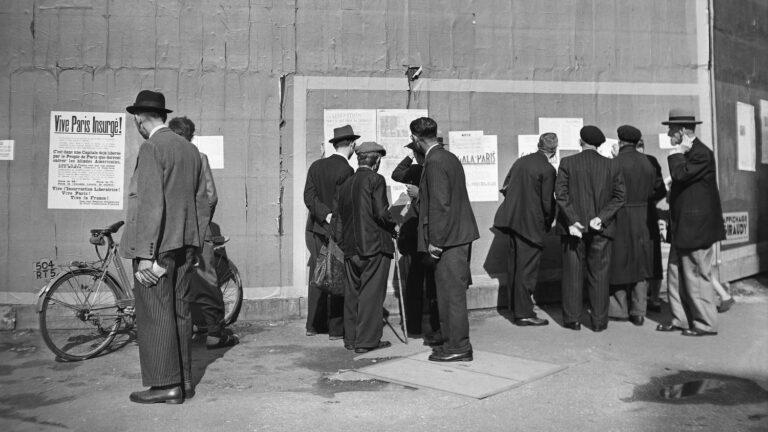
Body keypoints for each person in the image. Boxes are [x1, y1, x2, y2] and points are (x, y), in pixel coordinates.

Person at [121, 90, 205, 404]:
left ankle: (164, 385)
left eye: (136, 121)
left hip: (157, 248)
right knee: (181, 313)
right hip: (184, 246)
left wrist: (145, 256)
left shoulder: (151, 147)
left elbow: (150, 204)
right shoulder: (189, 150)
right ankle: (183, 383)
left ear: (140, 118)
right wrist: (194, 246)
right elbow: (199, 202)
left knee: (155, 314)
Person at [411, 117, 480, 362]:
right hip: (457, 235)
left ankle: (458, 347)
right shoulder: (447, 157)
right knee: (450, 293)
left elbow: (440, 205)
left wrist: (436, 242)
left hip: (449, 239)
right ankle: (452, 342)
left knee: (451, 296)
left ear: (415, 139)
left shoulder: (435, 162)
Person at [168, 116, 238, 349]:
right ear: (191, 136)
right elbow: (210, 196)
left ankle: (181, 332)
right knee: (207, 282)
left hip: (169, 233)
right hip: (197, 231)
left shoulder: (162, 156)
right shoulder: (198, 157)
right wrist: (200, 222)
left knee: (175, 282)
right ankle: (215, 333)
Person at [656, 109, 725, 336]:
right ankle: (681, 319)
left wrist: (677, 152)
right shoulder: (691, 153)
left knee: (696, 275)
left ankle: (705, 323)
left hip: (696, 228)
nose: (668, 134)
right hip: (683, 226)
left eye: (671, 130)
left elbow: (681, 175)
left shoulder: (701, 153)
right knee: (675, 274)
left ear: (684, 131)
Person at [555, 125, 626, 332]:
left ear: (580, 142)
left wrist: (574, 219)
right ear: (600, 144)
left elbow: (561, 195)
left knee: (572, 274)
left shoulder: (567, 163)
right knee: (600, 275)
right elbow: (620, 197)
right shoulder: (612, 166)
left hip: (572, 229)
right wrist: (601, 218)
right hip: (601, 229)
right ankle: (598, 321)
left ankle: (572, 319)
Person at [333, 142, 398, 353]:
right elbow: (381, 212)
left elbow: (338, 220)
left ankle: (351, 338)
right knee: (371, 293)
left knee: (353, 293)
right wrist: (393, 224)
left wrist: (344, 245)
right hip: (374, 246)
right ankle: (367, 341)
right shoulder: (375, 179)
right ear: (377, 161)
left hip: (351, 248)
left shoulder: (346, 184)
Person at [493, 133, 558, 326]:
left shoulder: (521, 162)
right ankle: (524, 313)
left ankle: (515, 307)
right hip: (531, 225)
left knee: (515, 266)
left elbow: (505, 187)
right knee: (527, 270)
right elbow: (548, 203)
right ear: (554, 150)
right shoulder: (547, 169)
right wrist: (548, 223)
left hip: (513, 222)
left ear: (538, 145)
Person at [607, 126, 666, 326]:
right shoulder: (649, 162)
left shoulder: (614, 163)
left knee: (619, 261)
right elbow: (659, 190)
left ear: (620, 141)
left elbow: (607, 193)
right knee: (642, 263)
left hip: (620, 216)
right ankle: (639, 311)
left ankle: (619, 308)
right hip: (644, 216)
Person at [304, 125, 357, 339]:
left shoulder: (316, 166)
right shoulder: (347, 171)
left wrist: (323, 214)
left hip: (316, 229)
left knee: (317, 275)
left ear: (334, 144)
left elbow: (308, 197)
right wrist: (331, 217)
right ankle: (336, 329)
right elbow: (344, 203)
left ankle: (313, 325)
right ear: (352, 145)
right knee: (337, 276)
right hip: (338, 231)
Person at [391, 141, 440, 342]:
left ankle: (413, 326)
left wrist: (410, 157)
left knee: (415, 284)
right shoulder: (432, 169)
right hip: (426, 237)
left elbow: (396, 173)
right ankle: (435, 327)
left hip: (417, 237)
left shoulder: (418, 170)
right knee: (431, 285)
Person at [636, 139, 666, 313]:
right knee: (654, 256)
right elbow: (661, 189)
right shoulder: (651, 161)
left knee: (635, 256)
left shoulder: (622, 161)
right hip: (649, 212)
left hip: (629, 213)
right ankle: (654, 298)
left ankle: (639, 299)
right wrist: (649, 197)